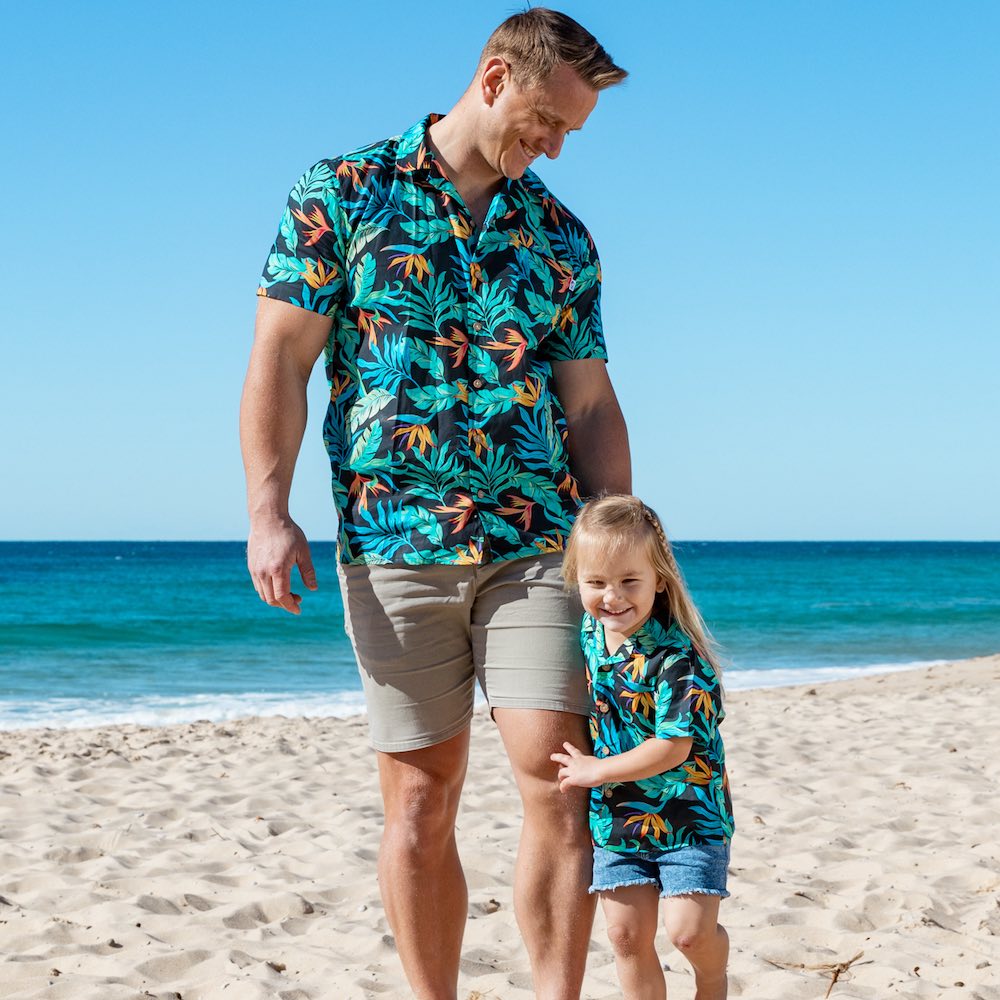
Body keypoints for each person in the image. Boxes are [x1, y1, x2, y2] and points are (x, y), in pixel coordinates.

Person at [240, 9, 629, 999]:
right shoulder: (341, 192)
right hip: (390, 543)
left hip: (537, 541)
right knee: (421, 798)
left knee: (558, 780)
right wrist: (268, 508)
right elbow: (282, 359)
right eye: (547, 120)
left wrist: (622, 537)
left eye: (571, 134)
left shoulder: (560, 239)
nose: (554, 146)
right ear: (493, 78)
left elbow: (586, 399)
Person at [553, 495, 734, 1000]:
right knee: (625, 936)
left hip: (690, 815)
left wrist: (597, 770)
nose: (612, 597)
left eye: (629, 581)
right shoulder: (592, 631)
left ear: (659, 579)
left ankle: (714, 980)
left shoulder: (679, 660)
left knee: (687, 933)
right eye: (596, 583)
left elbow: (673, 748)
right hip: (618, 817)